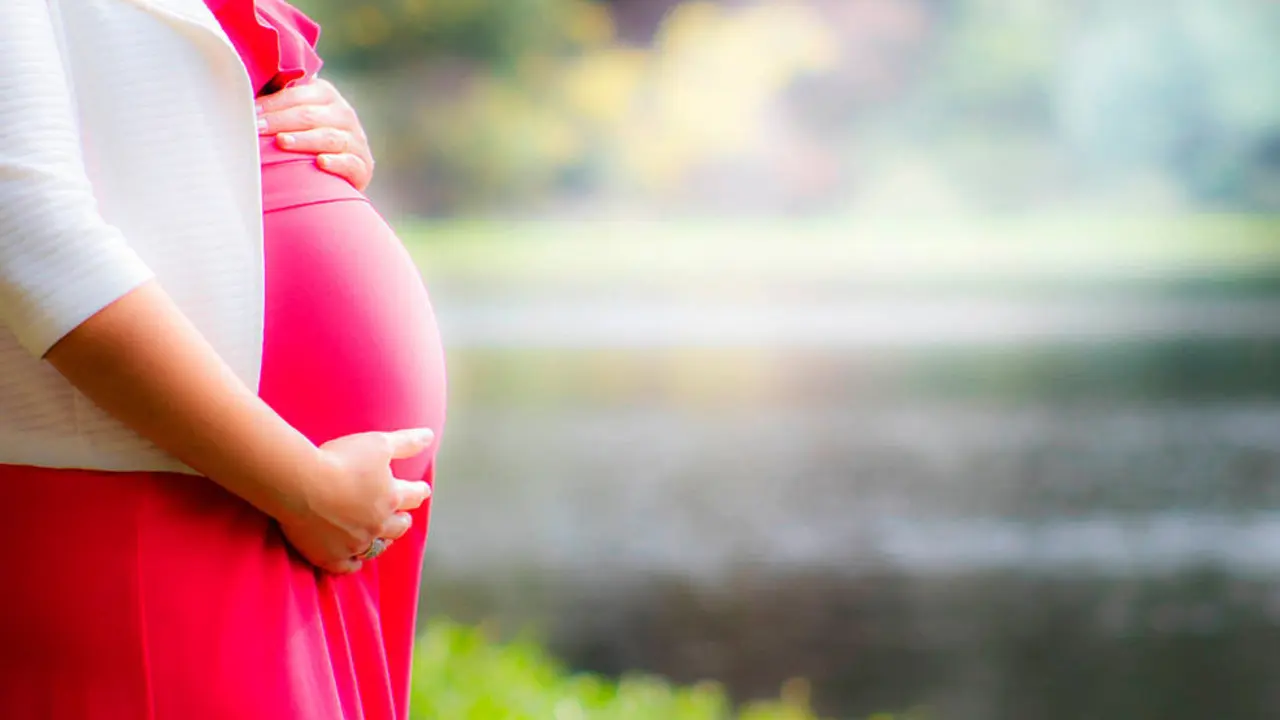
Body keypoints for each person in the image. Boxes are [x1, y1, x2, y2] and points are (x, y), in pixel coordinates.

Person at [0, 1, 447, 718]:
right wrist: (302, 486)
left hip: (278, 501)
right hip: (164, 497)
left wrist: (300, 129)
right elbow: (25, 232)